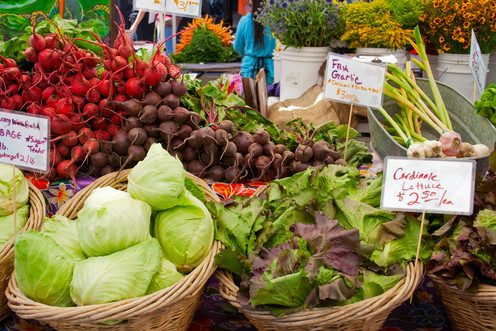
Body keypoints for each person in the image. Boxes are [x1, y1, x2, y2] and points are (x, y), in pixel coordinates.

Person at [233, 0, 276, 84]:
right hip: (270, 69)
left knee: (249, 96)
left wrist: (248, 53)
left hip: (249, 68)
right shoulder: (275, 21)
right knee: (269, 96)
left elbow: (238, 47)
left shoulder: (244, 21)